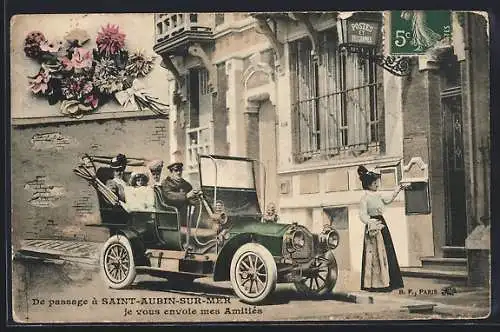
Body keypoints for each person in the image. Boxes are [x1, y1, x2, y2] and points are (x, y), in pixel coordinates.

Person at [357, 165, 409, 292]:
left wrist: (398, 189)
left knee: (385, 252)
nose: (377, 185)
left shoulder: (379, 195)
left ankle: (388, 282)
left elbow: (389, 199)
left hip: (382, 224)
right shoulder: (364, 198)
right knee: (374, 254)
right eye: (375, 183)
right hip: (373, 226)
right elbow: (362, 214)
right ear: (368, 184)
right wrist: (370, 222)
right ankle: (374, 284)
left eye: (377, 182)